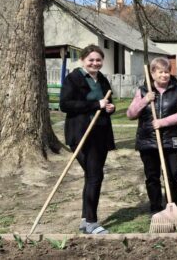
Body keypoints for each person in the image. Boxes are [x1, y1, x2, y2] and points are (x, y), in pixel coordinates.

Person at [59, 44, 116, 235]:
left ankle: (85, 219)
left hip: (101, 134)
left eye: (98, 60)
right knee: (95, 176)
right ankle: (92, 222)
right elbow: (65, 104)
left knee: (92, 176)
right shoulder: (73, 78)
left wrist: (110, 108)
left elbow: (108, 101)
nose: (95, 63)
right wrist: (95, 104)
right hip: (81, 135)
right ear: (83, 60)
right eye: (91, 59)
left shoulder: (102, 79)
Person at [126, 57, 177, 215]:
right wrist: (145, 100)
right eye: (160, 72)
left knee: (172, 174)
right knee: (152, 175)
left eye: (167, 72)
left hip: (171, 139)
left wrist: (163, 122)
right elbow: (130, 114)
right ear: (152, 73)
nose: (164, 75)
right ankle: (155, 207)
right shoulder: (142, 90)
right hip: (148, 140)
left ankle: (172, 204)